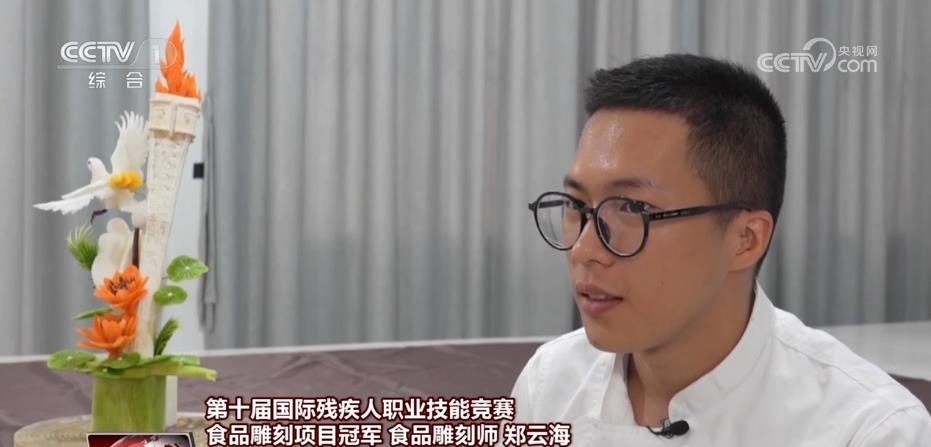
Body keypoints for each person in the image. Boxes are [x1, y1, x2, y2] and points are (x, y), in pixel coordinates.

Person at [513, 54, 931, 446]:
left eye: (631, 208)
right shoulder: (551, 384)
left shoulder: (868, 431)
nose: (585, 249)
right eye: (575, 205)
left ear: (746, 239)